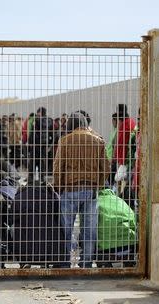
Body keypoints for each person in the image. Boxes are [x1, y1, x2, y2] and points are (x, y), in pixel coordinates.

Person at [53, 112, 110, 268]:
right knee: (89, 230)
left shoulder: (64, 141)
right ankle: (85, 264)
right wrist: (97, 185)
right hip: (91, 191)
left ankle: (64, 263)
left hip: (70, 190)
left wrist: (59, 187)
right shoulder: (98, 141)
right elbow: (105, 168)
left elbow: (58, 168)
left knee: (66, 229)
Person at [28, 107, 54, 181]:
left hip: (35, 145)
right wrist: (49, 146)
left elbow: (32, 134)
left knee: (33, 162)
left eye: (38, 112)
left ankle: (30, 180)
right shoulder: (50, 120)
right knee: (42, 162)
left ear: (40, 113)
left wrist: (30, 145)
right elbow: (52, 135)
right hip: (44, 146)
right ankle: (42, 180)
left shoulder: (36, 120)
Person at [106, 113, 119, 186]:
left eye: (113, 120)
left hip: (112, 161)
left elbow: (114, 147)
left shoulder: (118, 131)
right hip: (109, 160)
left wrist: (112, 159)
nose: (112, 122)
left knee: (111, 181)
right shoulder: (114, 131)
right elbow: (110, 146)